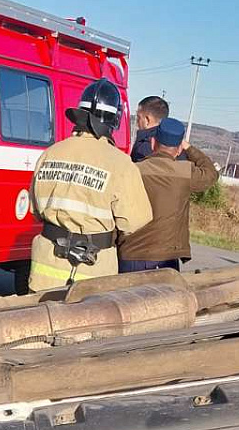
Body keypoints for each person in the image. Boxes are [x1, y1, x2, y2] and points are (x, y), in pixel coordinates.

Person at [25, 79, 152, 292]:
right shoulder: (120, 163)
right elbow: (133, 221)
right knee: (89, 324)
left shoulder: (50, 153)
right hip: (93, 271)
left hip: (45, 267)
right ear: (115, 119)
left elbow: (35, 210)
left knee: (40, 322)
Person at [119, 118, 219, 274]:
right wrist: (189, 147)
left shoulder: (132, 170)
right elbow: (211, 173)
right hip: (165, 258)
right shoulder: (185, 173)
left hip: (130, 255)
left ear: (153, 143)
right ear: (179, 150)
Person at [131, 95, 169, 163]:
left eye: (139, 117)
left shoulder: (144, 147)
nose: (137, 122)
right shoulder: (174, 146)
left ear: (147, 120)